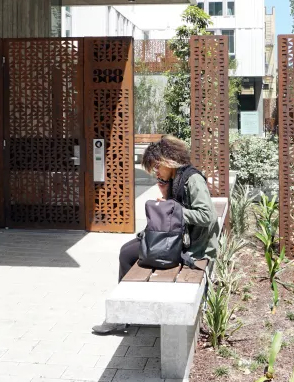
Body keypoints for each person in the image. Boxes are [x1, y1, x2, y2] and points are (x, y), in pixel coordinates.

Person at [92, 135, 220, 335]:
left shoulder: (192, 179)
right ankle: (126, 314)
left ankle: (122, 318)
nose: (156, 172)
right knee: (127, 252)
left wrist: (171, 209)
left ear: (169, 161)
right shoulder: (178, 178)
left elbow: (208, 217)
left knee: (129, 255)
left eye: (157, 166)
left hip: (195, 247)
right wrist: (166, 194)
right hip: (179, 239)